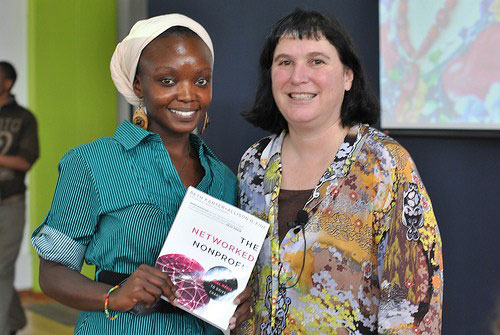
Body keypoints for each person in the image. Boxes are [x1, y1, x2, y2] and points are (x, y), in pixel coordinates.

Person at [31, 14, 251, 335]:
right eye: (167, 81)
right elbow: (52, 273)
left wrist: (236, 298)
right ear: (138, 85)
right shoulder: (93, 162)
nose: (188, 94)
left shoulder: (224, 178)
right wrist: (113, 296)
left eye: (201, 81)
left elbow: (219, 278)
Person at [235, 9, 443, 335]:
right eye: (285, 62)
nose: (298, 76)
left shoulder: (385, 165)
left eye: (317, 61)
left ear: (348, 76)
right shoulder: (254, 165)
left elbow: (413, 306)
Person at [0, 61, 39, 335]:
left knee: (2, 268)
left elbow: (26, 161)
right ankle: (14, 320)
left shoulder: (24, 118)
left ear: (8, 83)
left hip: (10, 202)